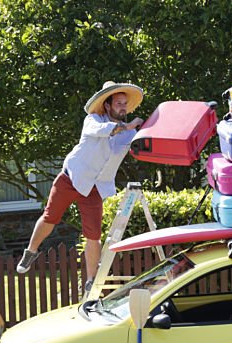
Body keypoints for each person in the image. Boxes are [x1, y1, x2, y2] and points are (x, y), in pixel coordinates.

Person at [16, 81, 145, 288]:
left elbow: (143, 143)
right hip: (71, 178)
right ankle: (30, 252)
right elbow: (104, 131)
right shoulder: (92, 120)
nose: (123, 107)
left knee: (93, 235)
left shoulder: (129, 134)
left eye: (125, 103)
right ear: (107, 106)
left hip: (95, 188)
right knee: (51, 217)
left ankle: (90, 280)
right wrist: (127, 126)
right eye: (118, 103)